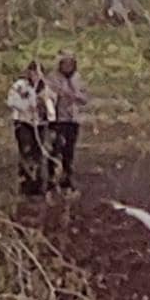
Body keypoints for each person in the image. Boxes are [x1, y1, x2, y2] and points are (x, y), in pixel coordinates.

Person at [44, 52, 89, 197]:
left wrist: (75, 96)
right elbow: (48, 97)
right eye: (65, 63)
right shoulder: (53, 78)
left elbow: (84, 98)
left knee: (69, 150)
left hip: (73, 119)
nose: (67, 66)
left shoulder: (78, 78)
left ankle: (67, 179)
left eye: (70, 63)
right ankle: (52, 179)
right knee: (55, 148)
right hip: (58, 119)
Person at [5, 66, 52, 197]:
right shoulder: (20, 85)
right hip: (23, 122)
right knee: (26, 151)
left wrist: (45, 106)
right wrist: (27, 106)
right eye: (33, 72)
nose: (36, 75)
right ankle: (26, 183)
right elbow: (11, 101)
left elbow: (51, 104)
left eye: (38, 73)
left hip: (40, 123)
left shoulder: (46, 87)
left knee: (39, 153)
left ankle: (39, 184)